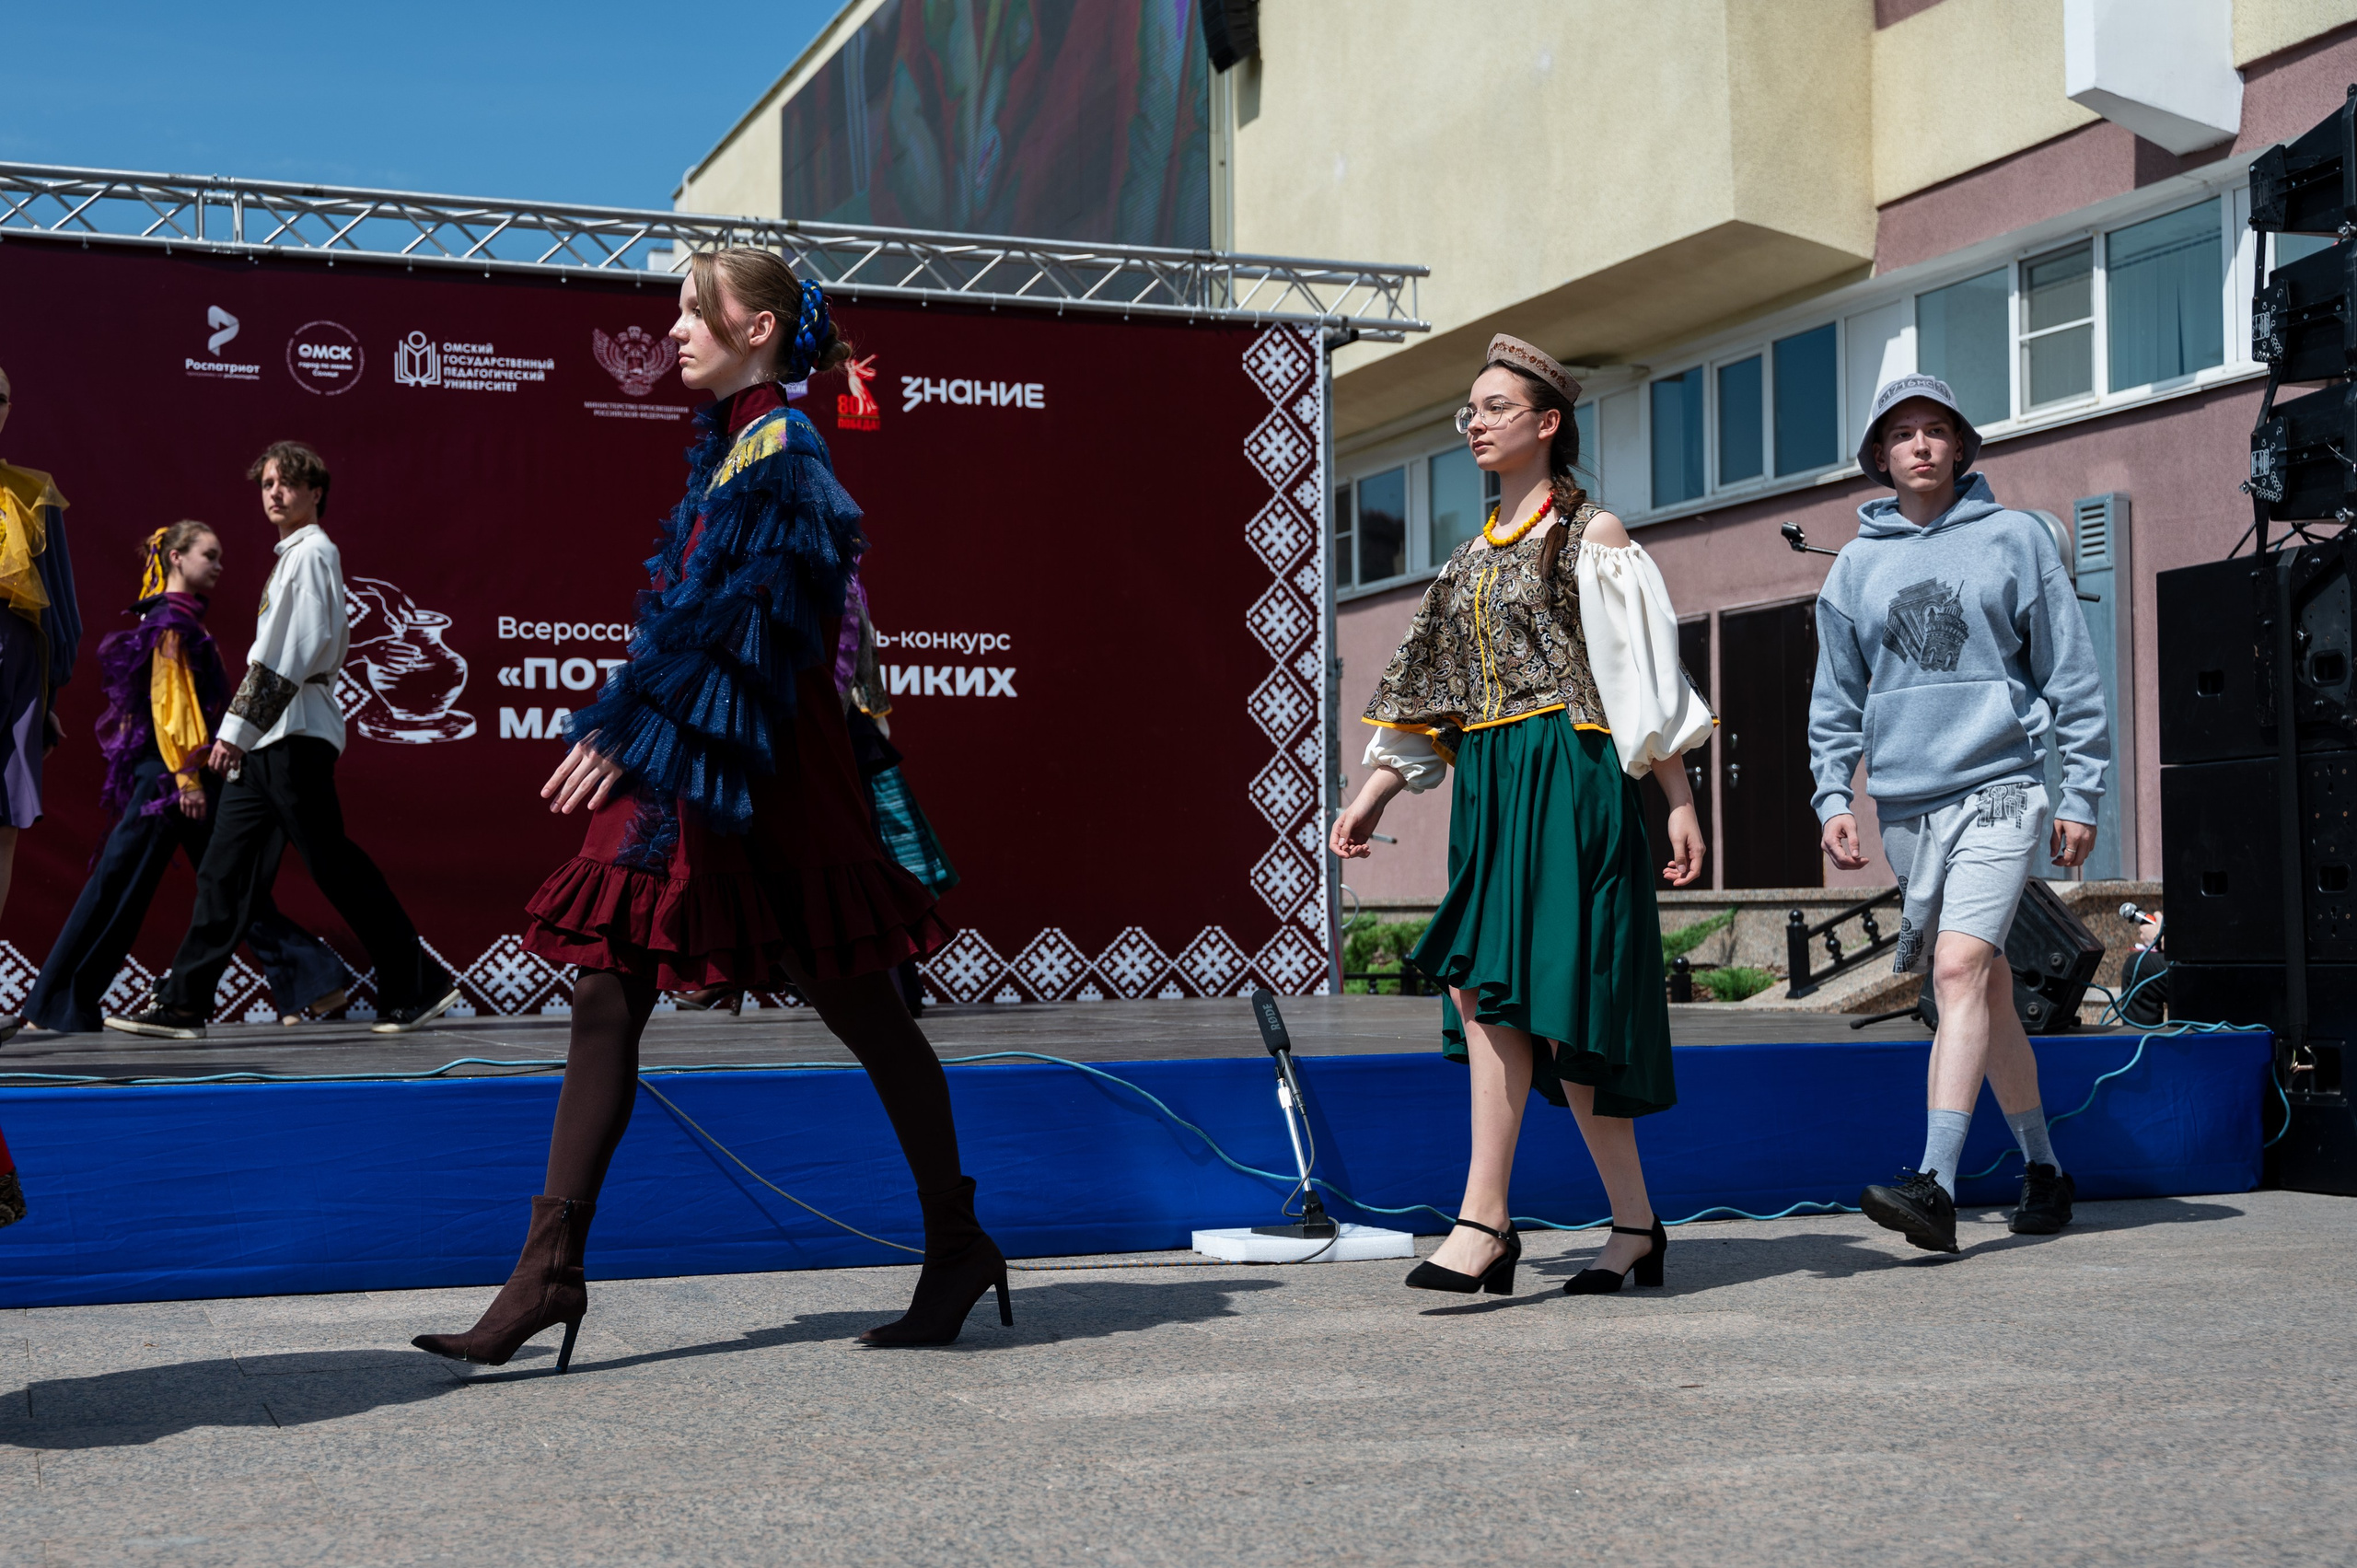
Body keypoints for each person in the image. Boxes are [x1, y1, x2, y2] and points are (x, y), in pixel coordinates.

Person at [412, 249, 986, 1372]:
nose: (672, 328)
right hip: (704, 751)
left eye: (694, 310)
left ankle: (958, 1242)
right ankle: (547, 1271)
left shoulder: (787, 450)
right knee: (605, 983)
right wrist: (647, 722)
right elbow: (703, 618)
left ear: (761, 327)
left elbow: (750, 626)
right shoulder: (737, 447)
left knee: (862, 1005)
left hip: (755, 763)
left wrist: (637, 727)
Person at [1333, 335, 1713, 1299]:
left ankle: (1484, 1221)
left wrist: (1676, 800)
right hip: (1494, 784)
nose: (1475, 421)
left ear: (1547, 424)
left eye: (1495, 406)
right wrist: (1375, 791)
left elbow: (1643, 684)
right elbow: (1433, 692)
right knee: (1488, 992)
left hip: (1573, 775)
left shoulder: (1597, 538)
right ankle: (1627, 1225)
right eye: (1470, 408)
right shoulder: (1465, 561)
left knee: (1545, 1002)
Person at [1810, 374, 2108, 1253]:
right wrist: (1835, 792)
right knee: (1987, 988)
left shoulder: (2015, 539)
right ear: (1880, 456)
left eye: (1937, 430)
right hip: (1906, 801)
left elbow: (2072, 677)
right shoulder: (1854, 565)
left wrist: (2082, 790)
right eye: (1903, 434)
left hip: (2002, 786)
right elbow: (1836, 694)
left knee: (1956, 972)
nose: (1921, 446)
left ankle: (1934, 1183)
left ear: (1962, 446)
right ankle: (2046, 1168)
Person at [104, 443, 457, 1040]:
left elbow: (291, 654)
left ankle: (417, 981)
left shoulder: (314, 553)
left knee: (332, 863)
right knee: (224, 869)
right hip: (269, 737)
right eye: (267, 482)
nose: (274, 492)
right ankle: (186, 1003)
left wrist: (235, 732)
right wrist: (244, 733)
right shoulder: (291, 557)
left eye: (288, 482)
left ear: (315, 491)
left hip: (292, 735)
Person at [24, 523, 350, 1034]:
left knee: (208, 886)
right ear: (176, 557)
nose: (219, 565)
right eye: (210, 555)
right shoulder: (170, 621)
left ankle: (59, 1005)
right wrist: (186, 779)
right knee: (137, 887)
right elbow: (168, 707)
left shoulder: (179, 621)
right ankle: (313, 978)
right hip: (172, 779)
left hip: (183, 776)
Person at [0, 359, 83, 1221]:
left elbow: (60, 611)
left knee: (4, 826)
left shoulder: (32, 495)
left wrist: (47, 699)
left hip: (13, 679)